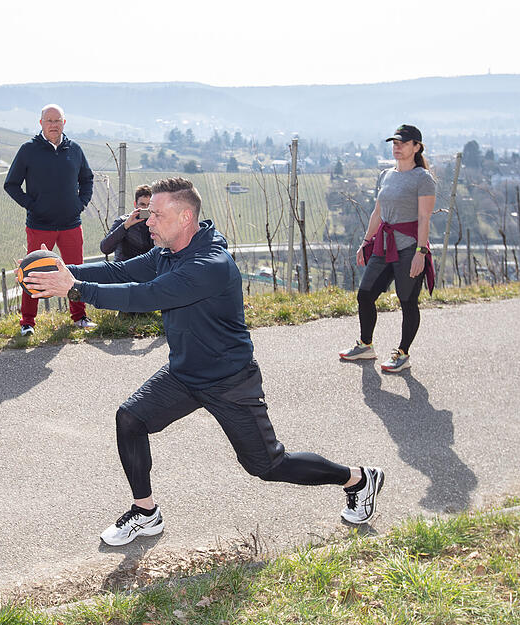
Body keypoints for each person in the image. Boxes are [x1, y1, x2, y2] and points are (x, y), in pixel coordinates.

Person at [24, 177, 385, 546]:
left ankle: (357, 479)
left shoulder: (209, 264)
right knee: (130, 419)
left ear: (185, 217)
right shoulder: (168, 251)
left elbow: (145, 295)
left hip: (229, 381)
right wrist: (62, 270)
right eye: (148, 214)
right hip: (185, 373)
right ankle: (146, 513)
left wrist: (75, 290)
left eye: (157, 215)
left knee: (267, 465)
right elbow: (122, 272)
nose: (148, 222)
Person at [339, 124, 436, 373]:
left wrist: (421, 253)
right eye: (395, 143)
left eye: (403, 143)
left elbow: (424, 218)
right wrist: (365, 242)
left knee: (407, 301)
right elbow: (378, 212)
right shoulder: (386, 175)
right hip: (383, 246)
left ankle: (402, 353)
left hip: (409, 249)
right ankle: (366, 345)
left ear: (417, 147)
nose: (397, 147)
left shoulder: (423, 179)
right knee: (365, 295)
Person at [4, 104, 96, 336]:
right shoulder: (28, 150)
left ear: (64, 123)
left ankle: (79, 317)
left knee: (75, 272)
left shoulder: (75, 150)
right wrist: (33, 205)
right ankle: (27, 322)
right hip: (39, 225)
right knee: (33, 273)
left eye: (57, 121)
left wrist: (80, 204)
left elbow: (87, 179)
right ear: (41, 123)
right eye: (49, 121)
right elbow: (11, 184)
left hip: (71, 225)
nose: (53, 125)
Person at [99, 185, 155, 261]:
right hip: (124, 265)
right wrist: (125, 226)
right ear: (135, 204)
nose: (146, 208)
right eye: (142, 205)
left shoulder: (155, 223)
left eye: (149, 205)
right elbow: (105, 248)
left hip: (148, 266)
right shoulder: (123, 221)